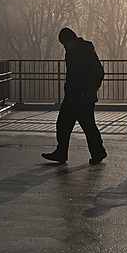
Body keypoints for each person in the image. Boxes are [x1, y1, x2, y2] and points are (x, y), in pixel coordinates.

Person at [42, 28, 108, 164]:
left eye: (66, 43)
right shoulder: (72, 51)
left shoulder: (85, 52)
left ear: (72, 41)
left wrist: (89, 90)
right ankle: (94, 152)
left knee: (85, 125)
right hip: (73, 94)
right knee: (67, 124)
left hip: (83, 96)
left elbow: (98, 72)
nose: (65, 47)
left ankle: (95, 152)